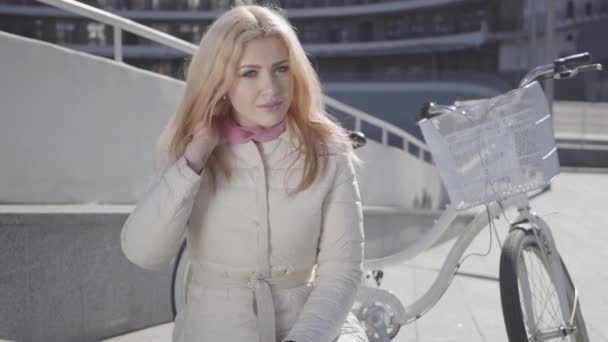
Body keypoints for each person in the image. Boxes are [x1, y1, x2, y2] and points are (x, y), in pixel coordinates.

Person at [120, 4, 367, 342]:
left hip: (310, 328)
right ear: (220, 80)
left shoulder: (329, 152)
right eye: (249, 73)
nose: (272, 88)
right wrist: (195, 158)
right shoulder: (185, 150)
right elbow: (143, 252)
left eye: (281, 69)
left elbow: (343, 271)